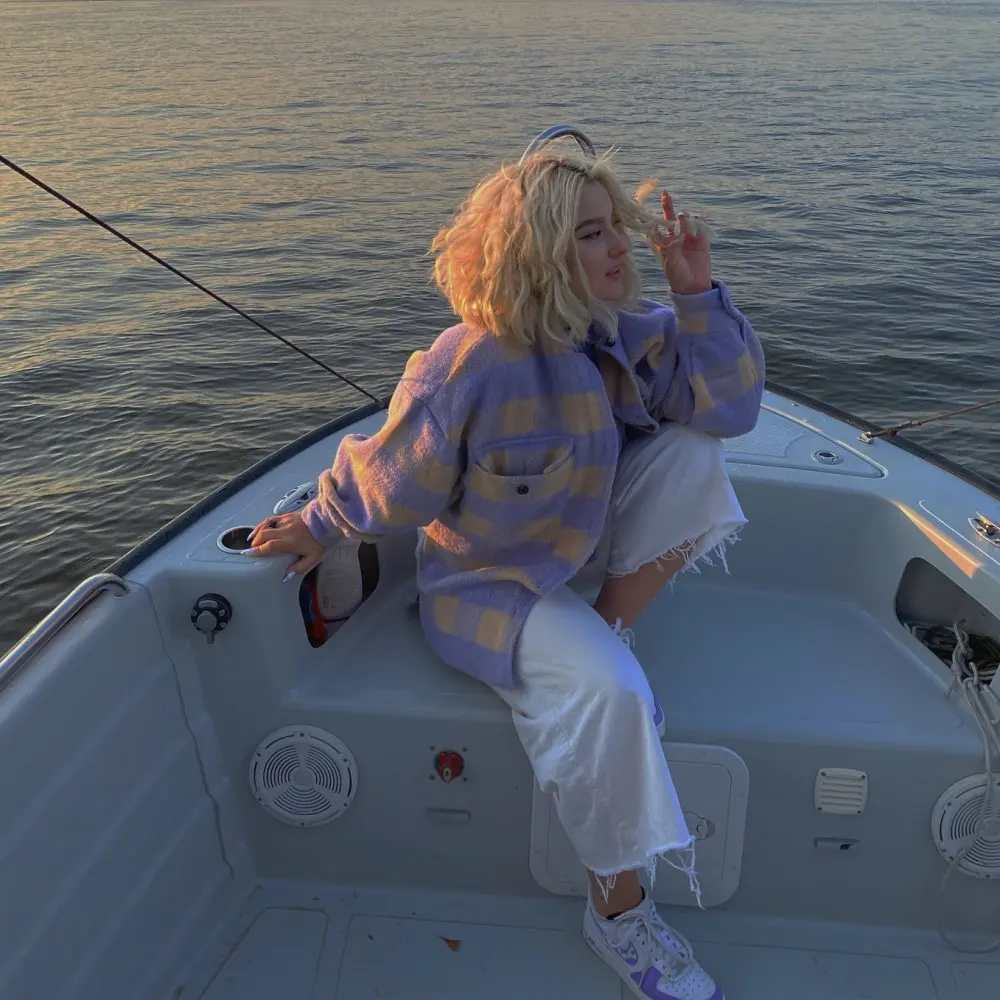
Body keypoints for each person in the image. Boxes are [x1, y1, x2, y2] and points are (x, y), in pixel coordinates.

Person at [246, 135, 764, 1000]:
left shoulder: (620, 330)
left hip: (580, 553)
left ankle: (606, 631)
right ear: (540, 254)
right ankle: (619, 916)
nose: (620, 246)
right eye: (592, 234)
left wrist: (695, 292)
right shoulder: (472, 361)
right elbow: (394, 472)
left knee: (695, 455)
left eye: (615, 226)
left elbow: (733, 408)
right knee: (614, 698)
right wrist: (317, 523)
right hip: (494, 589)